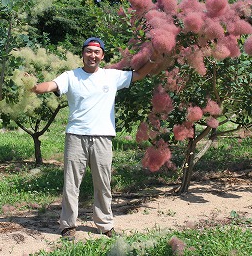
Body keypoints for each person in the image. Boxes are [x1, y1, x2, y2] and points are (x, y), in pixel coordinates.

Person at [32, 37, 160, 240]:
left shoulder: (112, 76)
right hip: (76, 136)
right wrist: (34, 86)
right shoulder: (70, 76)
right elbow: (49, 85)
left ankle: (104, 224)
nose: (92, 55)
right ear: (82, 54)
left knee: (103, 183)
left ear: (102, 55)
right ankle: (68, 225)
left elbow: (140, 74)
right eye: (88, 51)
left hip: (103, 137)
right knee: (71, 184)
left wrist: (156, 58)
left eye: (96, 52)